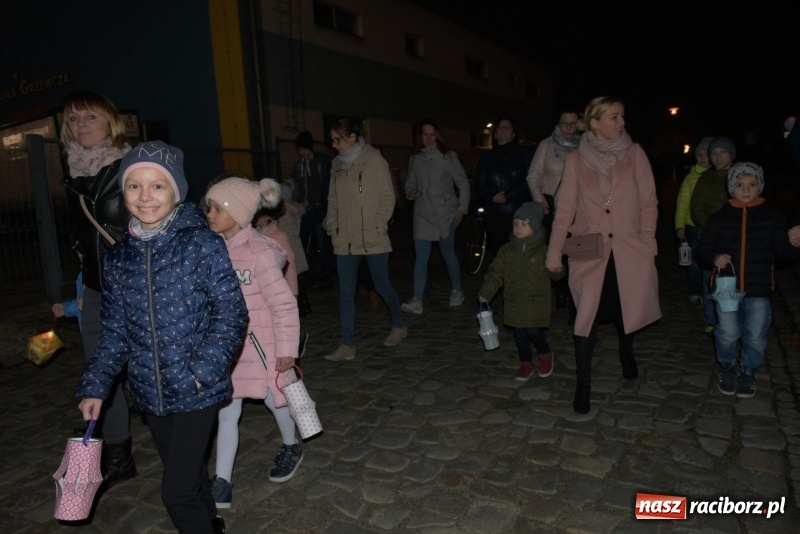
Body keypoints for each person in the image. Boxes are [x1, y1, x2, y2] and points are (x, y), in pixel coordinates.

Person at [77, 141, 249, 534]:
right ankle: (212, 524)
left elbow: (231, 313)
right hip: (149, 392)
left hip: (195, 389)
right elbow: (115, 330)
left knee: (176, 493)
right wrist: (96, 386)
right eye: (134, 186)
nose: (145, 196)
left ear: (177, 191)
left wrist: (202, 371)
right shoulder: (120, 258)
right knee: (188, 477)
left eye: (158, 185)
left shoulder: (202, 244)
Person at [545, 96, 661, 415]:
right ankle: (583, 385)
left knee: (626, 310)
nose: (622, 122)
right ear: (594, 122)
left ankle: (627, 352)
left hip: (628, 250)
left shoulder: (634, 154)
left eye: (622, 116)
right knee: (585, 319)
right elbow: (564, 209)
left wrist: (649, 244)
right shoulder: (575, 161)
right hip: (590, 252)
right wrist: (554, 252)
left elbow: (648, 203)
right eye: (614, 117)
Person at [204, 176, 303, 509]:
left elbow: (283, 304)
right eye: (210, 207)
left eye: (218, 208)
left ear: (238, 211)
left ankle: (292, 445)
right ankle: (222, 480)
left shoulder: (259, 254)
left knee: (277, 402)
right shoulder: (213, 249)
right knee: (226, 412)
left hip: (263, 349)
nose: (210, 213)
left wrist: (287, 349)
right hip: (228, 350)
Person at [60, 90, 136, 488]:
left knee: (147, 371)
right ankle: (119, 457)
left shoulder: (129, 166)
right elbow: (79, 234)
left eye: (90, 117)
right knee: (99, 375)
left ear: (111, 122)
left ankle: (182, 456)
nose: (81, 126)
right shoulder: (73, 172)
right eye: (74, 119)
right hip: (94, 289)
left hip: (133, 289)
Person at [696, 163, 800, 397]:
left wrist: (795, 244)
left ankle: (749, 372)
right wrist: (714, 257)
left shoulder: (772, 218)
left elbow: (783, 255)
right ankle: (727, 367)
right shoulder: (719, 218)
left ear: (760, 187)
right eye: (740, 185)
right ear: (731, 187)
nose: (746, 189)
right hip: (726, 289)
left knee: (755, 336)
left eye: (752, 184)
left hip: (759, 290)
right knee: (727, 333)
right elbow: (703, 249)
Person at [324, 118, 407, 361]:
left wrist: (378, 224)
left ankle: (399, 325)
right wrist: (332, 225)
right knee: (346, 292)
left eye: (338, 139)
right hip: (344, 238)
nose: (334, 144)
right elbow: (333, 200)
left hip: (372, 236)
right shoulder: (336, 164)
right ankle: (347, 345)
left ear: (352, 138)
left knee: (381, 284)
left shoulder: (374, 160)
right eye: (332, 140)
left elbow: (387, 196)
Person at [478, 202, 565, 380]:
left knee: (533, 331)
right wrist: (486, 292)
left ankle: (545, 354)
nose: (518, 228)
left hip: (536, 302)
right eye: (515, 224)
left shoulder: (543, 251)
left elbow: (557, 274)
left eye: (524, 225)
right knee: (519, 335)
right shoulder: (507, 251)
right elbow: (495, 273)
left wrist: (557, 270)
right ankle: (526, 363)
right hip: (514, 302)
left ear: (534, 227)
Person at [400, 119, 470, 314]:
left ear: (438, 135)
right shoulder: (415, 158)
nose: (429, 138)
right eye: (425, 134)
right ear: (420, 137)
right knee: (421, 257)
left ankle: (457, 290)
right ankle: (417, 300)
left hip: (445, 213)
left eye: (432, 134)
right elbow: (409, 183)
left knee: (448, 253)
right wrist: (411, 192)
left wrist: (461, 209)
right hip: (422, 213)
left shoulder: (448, 156)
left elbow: (463, 183)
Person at [526, 107, 583, 314]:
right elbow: (533, 174)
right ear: (558, 124)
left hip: (579, 208)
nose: (567, 128)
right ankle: (558, 288)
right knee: (555, 249)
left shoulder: (585, 145)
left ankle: (573, 291)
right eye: (563, 123)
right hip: (552, 208)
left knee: (575, 252)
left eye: (571, 124)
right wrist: (539, 199)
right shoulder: (547, 145)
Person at [691, 136, 737, 335]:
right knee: (708, 280)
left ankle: (734, 316)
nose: (718, 158)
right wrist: (711, 228)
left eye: (723, 153)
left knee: (736, 279)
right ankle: (711, 319)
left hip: (736, 239)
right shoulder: (705, 179)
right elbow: (696, 207)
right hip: (710, 239)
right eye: (714, 154)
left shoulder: (739, 175)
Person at [254, 200, 310, 358]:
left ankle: (296, 344)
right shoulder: (257, 234)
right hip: (265, 292)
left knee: (282, 331)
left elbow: (290, 265)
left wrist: (293, 294)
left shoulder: (278, 235)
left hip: (280, 291)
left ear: (265, 216)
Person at [474, 117, 534, 258]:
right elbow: (479, 183)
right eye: (501, 127)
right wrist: (492, 196)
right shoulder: (486, 157)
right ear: (495, 134)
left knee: (518, 250)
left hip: (517, 210)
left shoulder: (524, 154)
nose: (504, 130)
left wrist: (508, 195)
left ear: (513, 134)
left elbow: (529, 180)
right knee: (499, 251)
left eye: (508, 127)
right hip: (493, 212)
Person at [292, 130, 334, 288]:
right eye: (299, 149)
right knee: (302, 243)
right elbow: (296, 184)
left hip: (319, 208)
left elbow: (325, 185)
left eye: (302, 148)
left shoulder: (321, 161)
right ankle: (311, 272)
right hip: (306, 209)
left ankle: (327, 274)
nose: (300, 152)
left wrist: (318, 201)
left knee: (322, 243)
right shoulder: (299, 165)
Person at [674, 136, 713, 306]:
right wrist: (680, 225)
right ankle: (695, 291)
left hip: (713, 226)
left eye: (707, 154)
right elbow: (682, 203)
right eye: (699, 155)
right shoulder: (690, 178)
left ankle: (710, 291)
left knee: (712, 260)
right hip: (693, 226)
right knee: (694, 262)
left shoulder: (718, 176)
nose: (703, 158)